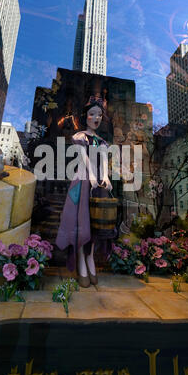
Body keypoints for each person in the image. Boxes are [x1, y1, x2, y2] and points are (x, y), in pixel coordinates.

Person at [55, 96, 116, 287]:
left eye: (99, 115)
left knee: (96, 221)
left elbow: (104, 160)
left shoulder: (101, 142)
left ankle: (90, 259)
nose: (96, 118)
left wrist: (105, 177)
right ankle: (82, 259)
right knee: (81, 220)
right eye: (92, 114)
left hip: (97, 182)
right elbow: (84, 158)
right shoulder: (80, 137)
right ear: (86, 117)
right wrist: (91, 176)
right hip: (82, 180)